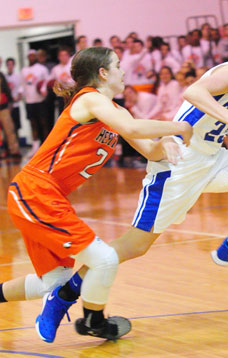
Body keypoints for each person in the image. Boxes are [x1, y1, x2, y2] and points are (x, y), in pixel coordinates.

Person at [1, 22, 228, 343]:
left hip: (212, 156)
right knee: (131, 249)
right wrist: (208, 124)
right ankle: (67, 301)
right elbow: (193, 94)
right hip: (182, 163)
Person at [1, 46, 192, 343]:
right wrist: (179, 125)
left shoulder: (117, 111)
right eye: (118, 64)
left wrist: (165, 141)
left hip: (46, 197)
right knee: (104, 260)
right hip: (34, 191)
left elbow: (149, 148)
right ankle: (94, 322)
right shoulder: (90, 99)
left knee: (53, 283)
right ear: (103, 73)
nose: (124, 70)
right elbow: (132, 127)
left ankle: (61, 304)